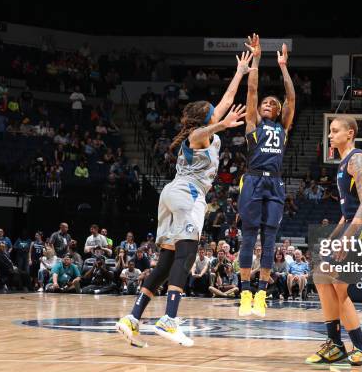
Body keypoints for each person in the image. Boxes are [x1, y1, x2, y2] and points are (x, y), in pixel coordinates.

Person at [116, 51, 254, 348]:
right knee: (187, 254)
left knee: (165, 262)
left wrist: (240, 72)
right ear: (207, 119)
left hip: (171, 195)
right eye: (214, 113)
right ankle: (168, 319)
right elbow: (204, 131)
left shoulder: (205, 130)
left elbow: (227, 102)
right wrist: (222, 126)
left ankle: (132, 318)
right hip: (187, 195)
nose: (219, 112)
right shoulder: (199, 135)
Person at [305, 116, 362, 367]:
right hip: (350, 226)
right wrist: (333, 236)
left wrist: (347, 238)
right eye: (330, 131)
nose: (330, 135)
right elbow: (348, 210)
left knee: (337, 283)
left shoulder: (358, 159)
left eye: (335, 131)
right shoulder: (343, 162)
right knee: (320, 276)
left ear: (350, 133)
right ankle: (335, 344)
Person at [238, 34, 296, 318]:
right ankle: (245, 293)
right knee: (249, 237)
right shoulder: (252, 124)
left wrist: (284, 67)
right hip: (252, 180)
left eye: (274, 103)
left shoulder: (283, 128)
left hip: (275, 182)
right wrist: (257, 60)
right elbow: (251, 90)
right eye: (266, 102)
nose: (269, 103)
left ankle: (261, 293)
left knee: (269, 239)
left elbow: (292, 98)